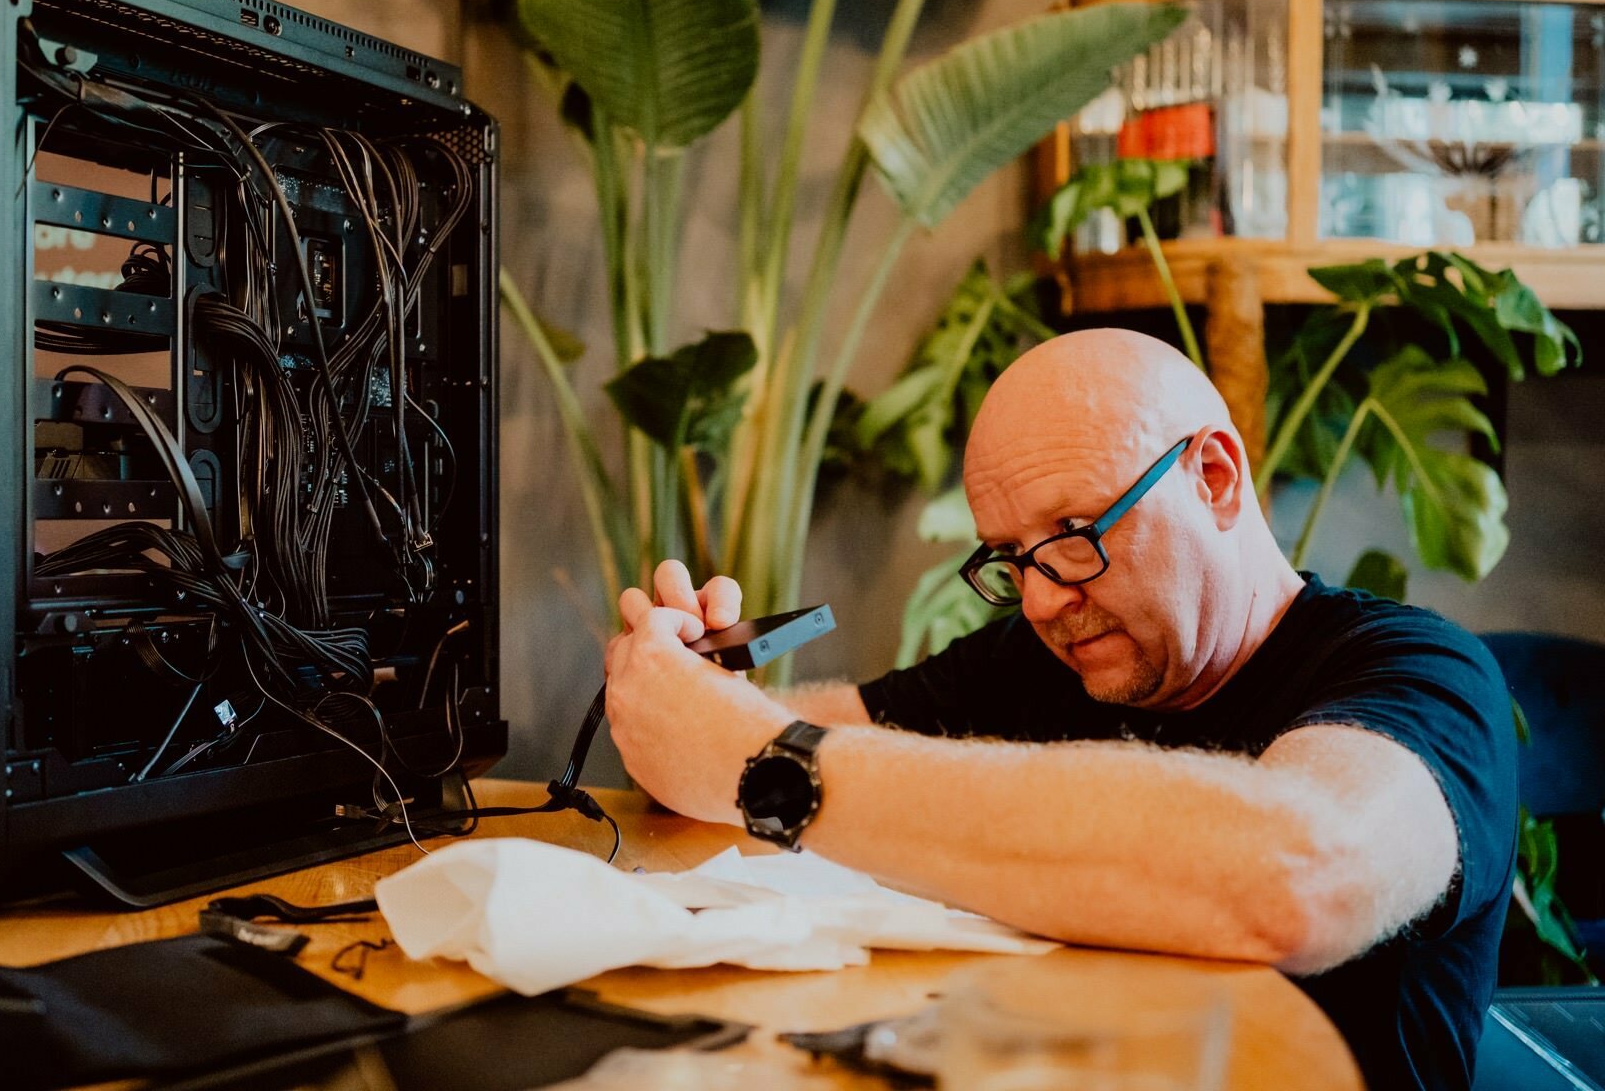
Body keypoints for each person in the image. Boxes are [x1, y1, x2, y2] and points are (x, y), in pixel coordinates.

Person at [602, 328, 1515, 1091]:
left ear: (1216, 477)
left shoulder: (1423, 678)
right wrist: (693, 701)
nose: (1040, 600)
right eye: (1011, 556)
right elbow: (763, 749)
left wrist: (765, 757)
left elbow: (1296, 875)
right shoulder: (1051, 654)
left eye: (1075, 537)